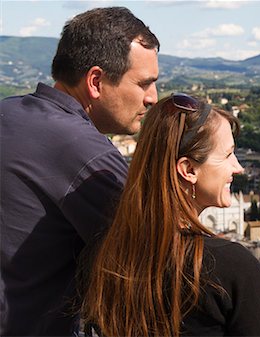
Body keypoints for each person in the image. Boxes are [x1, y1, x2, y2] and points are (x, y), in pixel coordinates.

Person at [0, 7, 160, 335]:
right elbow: (156, 254)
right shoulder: (82, 151)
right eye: (144, 84)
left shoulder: (8, 113)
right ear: (96, 81)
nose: (152, 99)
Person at [81, 94, 260, 336]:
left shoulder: (105, 254)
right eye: (228, 155)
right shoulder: (231, 268)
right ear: (188, 170)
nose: (238, 167)